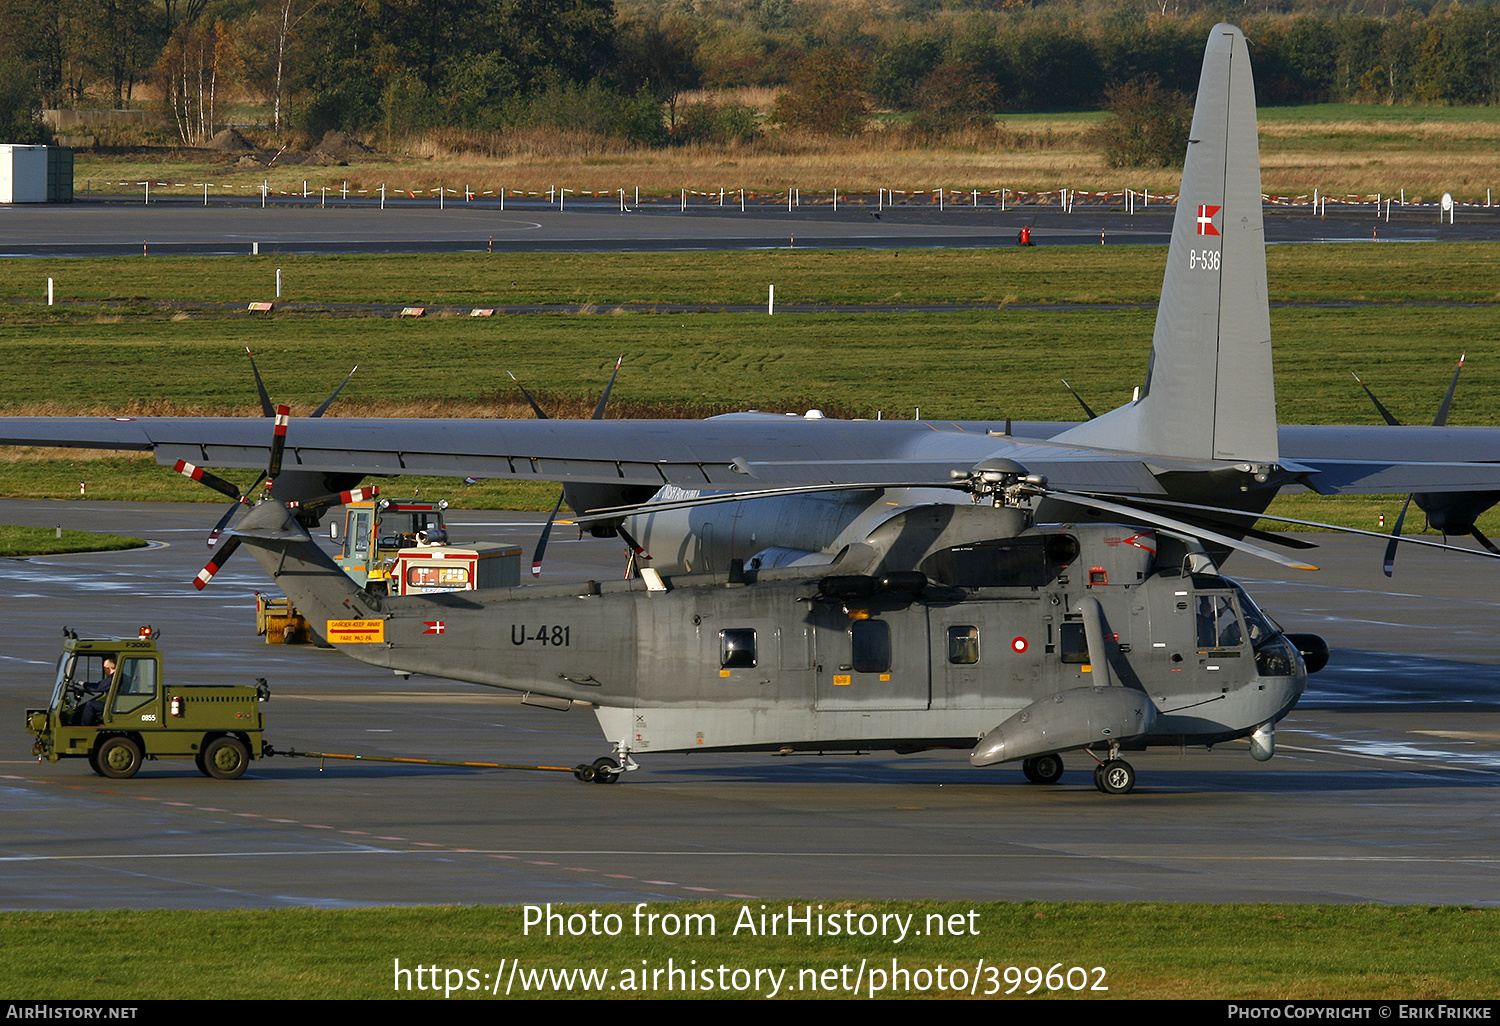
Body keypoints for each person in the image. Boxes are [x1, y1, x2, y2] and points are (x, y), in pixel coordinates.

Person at [78, 657, 115, 727]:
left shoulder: (112, 678)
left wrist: (84, 684)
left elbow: (97, 687)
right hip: (115, 704)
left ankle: (85, 727)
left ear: (108, 667)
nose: (104, 670)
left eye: (104, 667)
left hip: (113, 706)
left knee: (90, 705)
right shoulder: (115, 677)